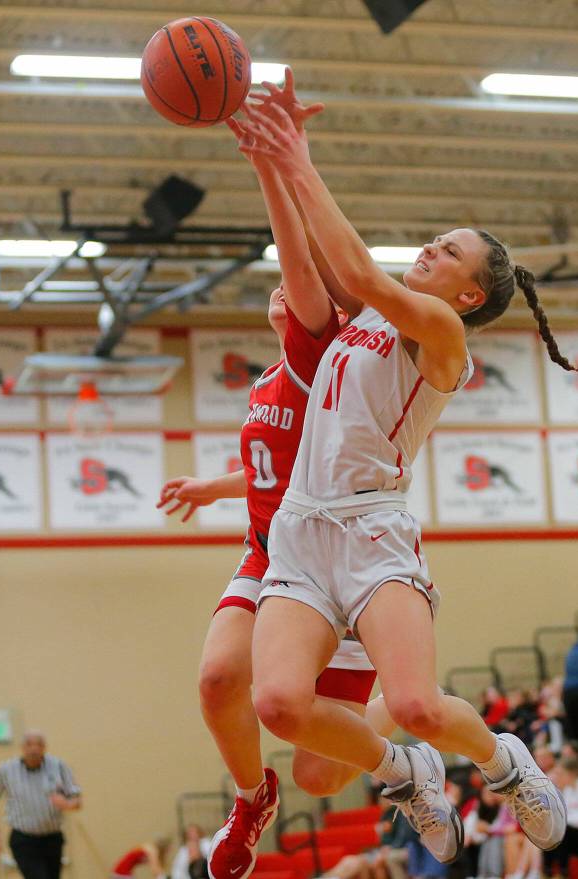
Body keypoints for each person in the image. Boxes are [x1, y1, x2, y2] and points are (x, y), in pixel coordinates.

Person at [231, 71, 571, 866]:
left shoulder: (441, 338)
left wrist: (300, 157)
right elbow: (312, 274)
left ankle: (503, 762)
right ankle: (403, 772)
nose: (431, 247)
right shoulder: (355, 329)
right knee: (278, 704)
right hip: (304, 530)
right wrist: (272, 166)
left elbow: (359, 275)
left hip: (374, 533)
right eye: (438, 237)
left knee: (416, 701)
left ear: (467, 293)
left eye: (448, 251)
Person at [158, 69, 394, 879]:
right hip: (270, 547)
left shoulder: (320, 350)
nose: (283, 293)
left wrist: (270, 157)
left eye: (296, 291)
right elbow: (272, 467)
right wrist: (212, 486)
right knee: (219, 674)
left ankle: (398, 716)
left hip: (340, 561)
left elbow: (302, 258)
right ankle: (248, 794)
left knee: (320, 768)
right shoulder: (271, 381)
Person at [0, 730, 82, 879]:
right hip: (24, 839)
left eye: (38, 744)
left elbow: (77, 800)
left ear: (44, 747)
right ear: (22, 747)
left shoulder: (59, 766)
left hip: (53, 837)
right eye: (29, 744)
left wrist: (67, 804)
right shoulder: (7, 769)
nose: (34, 748)